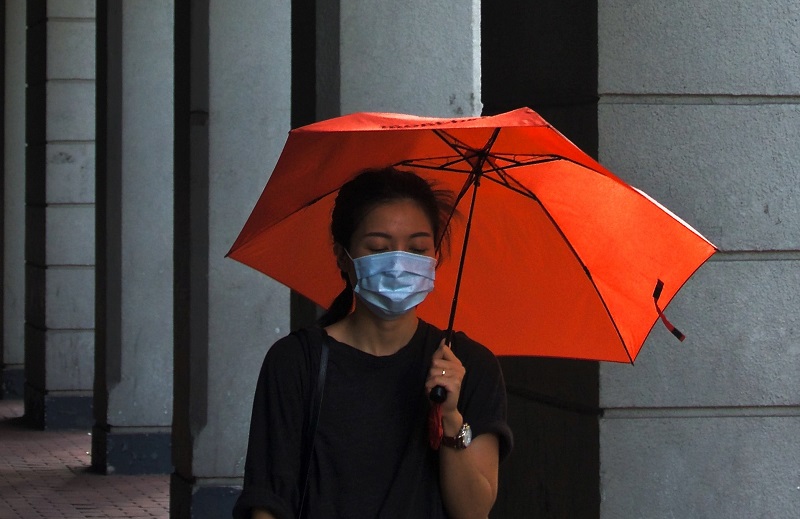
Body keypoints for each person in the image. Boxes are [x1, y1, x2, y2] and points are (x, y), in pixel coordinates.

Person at [232, 167, 512, 519]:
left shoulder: (469, 366)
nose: (397, 263)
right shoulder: (296, 362)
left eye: (417, 248)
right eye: (379, 247)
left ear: (434, 257)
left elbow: (473, 511)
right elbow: (268, 501)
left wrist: (451, 418)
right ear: (342, 255)